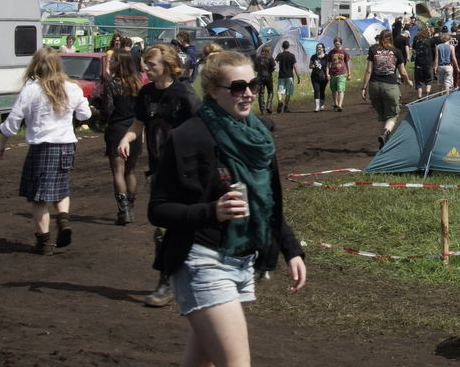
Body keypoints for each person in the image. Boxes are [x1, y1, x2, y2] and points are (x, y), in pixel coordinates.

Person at [149, 50, 306, 366]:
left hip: (243, 259)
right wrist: (212, 210)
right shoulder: (188, 137)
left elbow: (268, 202)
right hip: (202, 261)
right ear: (211, 91)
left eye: (253, 84)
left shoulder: (259, 136)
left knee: (200, 360)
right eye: (237, 87)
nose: (248, 93)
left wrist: (291, 249)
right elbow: (158, 209)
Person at [117, 43, 201, 307]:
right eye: (145, 63)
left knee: (188, 228)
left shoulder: (185, 94)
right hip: (158, 172)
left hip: (186, 172)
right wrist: (127, 138)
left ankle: (192, 278)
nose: (145, 68)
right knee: (162, 230)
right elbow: (138, 124)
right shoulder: (146, 93)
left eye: (150, 64)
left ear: (166, 64)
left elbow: (203, 128)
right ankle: (166, 283)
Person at [0, 47, 92, 254]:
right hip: (67, 145)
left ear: (35, 66)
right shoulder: (73, 88)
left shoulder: (31, 90)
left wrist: (3, 143)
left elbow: (13, 122)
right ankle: (64, 221)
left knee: (39, 197)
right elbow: (85, 115)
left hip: (42, 148)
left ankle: (43, 243)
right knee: (61, 188)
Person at [99, 53, 143, 225]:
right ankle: (130, 209)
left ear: (119, 64)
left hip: (117, 129)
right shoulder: (138, 83)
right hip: (135, 130)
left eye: (112, 61)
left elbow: (108, 110)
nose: (110, 63)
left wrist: (97, 113)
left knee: (118, 171)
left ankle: (123, 211)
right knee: (130, 171)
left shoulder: (112, 84)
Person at [362, 31, 411, 147]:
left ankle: (383, 143)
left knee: (382, 115)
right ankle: (385, 133)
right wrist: (408, 81)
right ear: (391, 39)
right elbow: (402, 71)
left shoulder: (373, 50)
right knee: (393, 114)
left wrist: (363, 87)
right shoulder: (397, 52)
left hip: (374, 86)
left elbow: (369, 70)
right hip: (390, 86)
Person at [274, 41, 300, 114]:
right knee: (288, 92)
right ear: (288, 46)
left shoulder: (279, 55)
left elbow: (274, 63)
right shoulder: (292, 55)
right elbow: (295, 67)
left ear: (282, 46)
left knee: (280, 91)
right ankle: (286, 107)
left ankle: (279, 101)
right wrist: (298, 76)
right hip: (289, 76)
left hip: (281, 76)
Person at [326, 37, 350, 111]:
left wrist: (349, 73)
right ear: (334, 44)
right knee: (334, 89)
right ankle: (335, 104)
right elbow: (328, 64)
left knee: (340, 89)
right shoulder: (331, 52)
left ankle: (340, 105)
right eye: (335, 44)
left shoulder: (344, 52)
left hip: (342, 73)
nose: (337, 45)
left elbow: (347, 63)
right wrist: (327, 74)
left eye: (338, 44)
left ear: (341, 44)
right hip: (333, 74)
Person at [411, 28, 435, 99]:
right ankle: (427, 94)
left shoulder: (416, 41)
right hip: (428, 63)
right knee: (429, 79)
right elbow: (434, 50)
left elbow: (414, 49)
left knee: (419, 81)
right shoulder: (430, 40)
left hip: (418, 63)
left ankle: (419, 96)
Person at [432, 27, 456, 92]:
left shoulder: (438, 46)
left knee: (440, 83)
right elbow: (453, 58)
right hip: (448, 66)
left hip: (440, 66)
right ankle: (446, 97)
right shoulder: (451, 47)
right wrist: (456, 66)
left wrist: (435, 66)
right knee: (447, 84)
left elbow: (436, 58)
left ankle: (440, 96)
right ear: (449, 39)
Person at [254, 46, 276, 115]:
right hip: (268, 77)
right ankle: (268, 106)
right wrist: (270, 71)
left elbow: (255, 68)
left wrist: (259, 71)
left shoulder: (257, 58)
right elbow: (274, 67)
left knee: (261, 94)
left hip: (260, 77)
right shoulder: (270, 58)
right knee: (270, 92)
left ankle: (262, 110)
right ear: (268, 51)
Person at [309, 43, 329, 112]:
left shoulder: (327, 56)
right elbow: (310, 66)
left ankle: (322, 104)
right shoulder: (313, 57)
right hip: (315, 77)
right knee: (316, 90)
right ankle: (317, 106)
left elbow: (328, 66)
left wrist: (328, 75)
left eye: (320, 47)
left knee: (322, 90)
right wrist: (314, 66)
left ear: (323, 48)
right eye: (318, 47)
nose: (319, 48)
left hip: (324, 77)